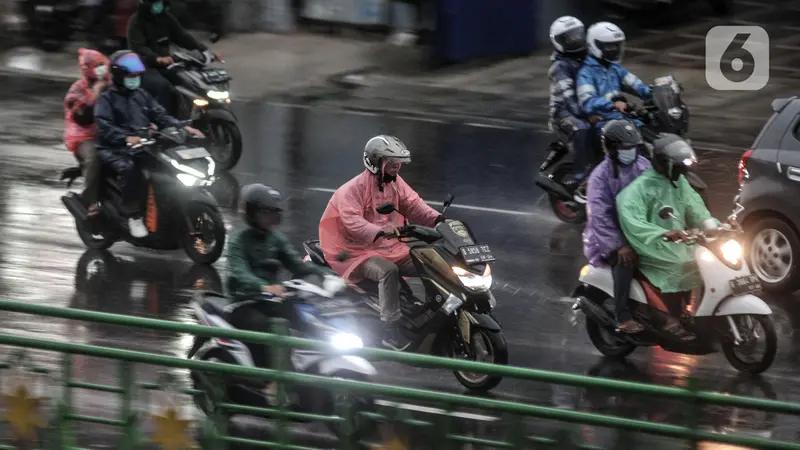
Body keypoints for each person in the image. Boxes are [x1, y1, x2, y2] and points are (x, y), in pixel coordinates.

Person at [318, 135, 445, 351]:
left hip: (387, 245)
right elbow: (352, 222)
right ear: (376, 162)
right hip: (354, 251)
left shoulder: (395, 183)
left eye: (398, 163)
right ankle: (390, 328)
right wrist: (379, 231)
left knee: (429, 261)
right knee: (388, 271)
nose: (396, 167)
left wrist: (439, 220)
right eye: (391, 162)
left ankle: (432, 308)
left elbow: (413, 204)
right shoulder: (352, 190)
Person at [226, 183, 333, 405]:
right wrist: (264, 286)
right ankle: (272, 381)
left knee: (309, 319)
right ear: (252, 213)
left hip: (273, 300)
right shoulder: (238, 241)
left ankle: (311, 373)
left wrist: (330, 276)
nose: (271, 218)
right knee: (268, 329)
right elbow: (240, 273)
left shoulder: (276, 239)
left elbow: (298, 265)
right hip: (244, 304)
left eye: (273, 213)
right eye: (266, 213)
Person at [94, 50, 204, 238]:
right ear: (119, 76)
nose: (134, 79)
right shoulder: (107, 99)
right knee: (131, 171)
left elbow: (160, 115)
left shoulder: (141, 95)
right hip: (115, 149)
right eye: (130, 76)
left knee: (170, 166)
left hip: (142, 146)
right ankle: (134, 216)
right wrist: (125, 138)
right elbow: (104, 126)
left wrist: (184, 128)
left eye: (137, 75)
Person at [616, 134, 714, 341]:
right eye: (678, 166)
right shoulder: (639, 188)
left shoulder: (679, 183)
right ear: (664, 163)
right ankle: (671, 319)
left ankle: (689, 311)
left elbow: (695, 206)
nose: (682, 170)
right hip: (650, 243)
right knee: (680, 264)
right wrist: (661, 232)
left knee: (705, 260)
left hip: (678, 240)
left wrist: (712, 225)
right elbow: (633, 220)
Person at [583, 120, 650, 334]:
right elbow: (599, 217)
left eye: (633, 147)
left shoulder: (644, 166)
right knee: (625, 262)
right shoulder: (599, 178)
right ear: (611, 149)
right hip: (609, 237)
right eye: (625, 148)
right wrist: (619, 245)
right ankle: (622, 315)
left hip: (641, 230)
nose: (630, 152)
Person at [127, 0, 214, 113]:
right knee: (163, 87)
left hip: (166, 63)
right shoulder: (136, 21)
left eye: (160, 2)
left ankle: (189, 114)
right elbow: (139, 47)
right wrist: (156, 58)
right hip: (143, 66)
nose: (159, 5)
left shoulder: (166, 18)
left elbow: (182, 36)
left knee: (190, 80)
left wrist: (203, 49)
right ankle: (163, 122)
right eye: (156, 2)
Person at [547, 16, 594, 197]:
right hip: (564, 112)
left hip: (586, 105)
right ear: (560, 42)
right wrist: (587, 113)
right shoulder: (560, 66)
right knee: (583, 128)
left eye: (578, 35)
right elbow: (570, 98)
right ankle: (581, 177)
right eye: (570, 38)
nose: (576, 40)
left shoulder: (588, 57)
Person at [576, 22, 651, 128]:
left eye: (616, 45)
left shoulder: (615, 68)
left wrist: (656, 91)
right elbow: (588, 102)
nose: (614, 49)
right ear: (595, 45)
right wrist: (612, 105)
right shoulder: (586, 73)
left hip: (622, 119)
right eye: (609, 46)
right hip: (603, 124)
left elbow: (635, 84)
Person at [64, 48, 110, 218]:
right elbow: (82, 118)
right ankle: (91, 201)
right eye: (97, 66)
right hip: (84, 138)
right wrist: (95, 96)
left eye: (102, 63)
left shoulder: (113, 83)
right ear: (87, 69)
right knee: (94, 157)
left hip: (111, 134)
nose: (102, 68)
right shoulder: (77, 89)